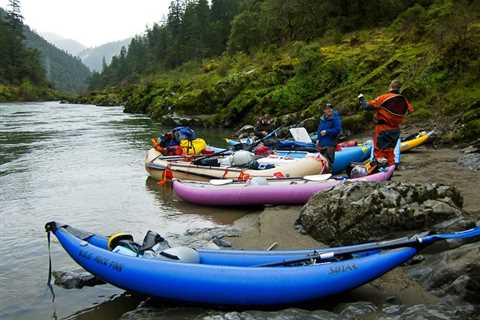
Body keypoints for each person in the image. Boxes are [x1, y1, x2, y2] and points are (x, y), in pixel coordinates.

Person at [358, 79, 414, 166]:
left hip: (383, 128)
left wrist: (361, 98)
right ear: (399, 89)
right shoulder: (404, 100)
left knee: (379, 151)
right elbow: (410, 110)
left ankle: (380, 171)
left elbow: (366, 106)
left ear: (390, 87)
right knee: (390, 151)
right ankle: (391, 169)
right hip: (395, 130)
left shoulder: (384, 97)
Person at [316, 103, 342, 171]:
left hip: (330, 144)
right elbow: (319, 130)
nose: (329, 110)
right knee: (322, 162)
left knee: (328, 162)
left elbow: (338, 129)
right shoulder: (322, 118)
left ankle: (328, 176)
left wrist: (327, 132)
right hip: (321, 144)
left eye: (330, 108)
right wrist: (318, 140)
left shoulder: (335, 117)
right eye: (327, 108)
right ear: (324, 110)